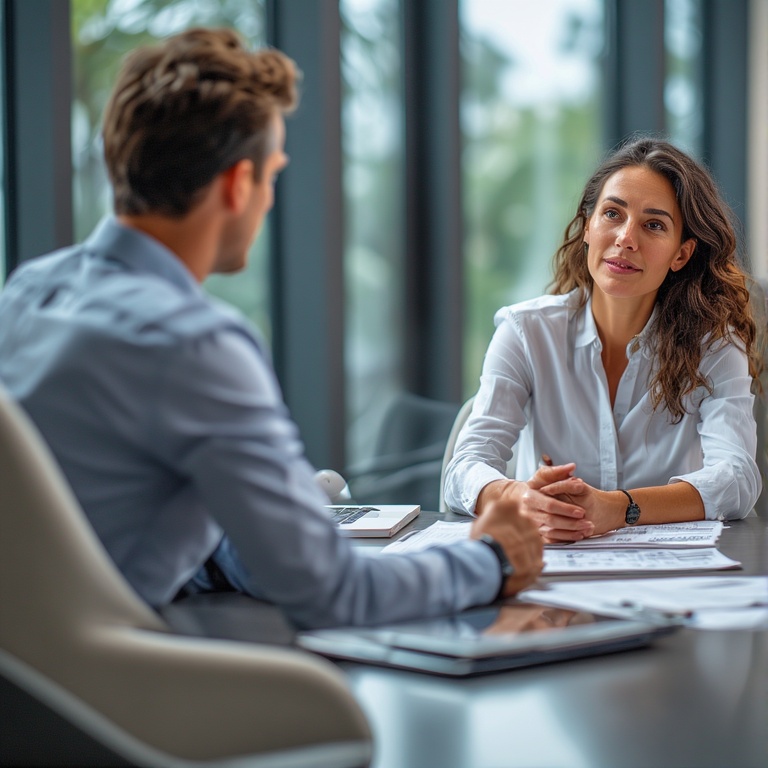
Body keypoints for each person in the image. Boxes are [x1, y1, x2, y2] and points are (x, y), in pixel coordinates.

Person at [0, 28, 544, 628]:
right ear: (238, 184)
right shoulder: (195, 343)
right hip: (112, 700)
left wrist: (260, 529)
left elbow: (104, 520)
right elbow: (337, 594)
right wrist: (490, 559)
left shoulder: (28, 291)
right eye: (272, 176)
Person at [444, 135, 762, 543]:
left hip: (673, 584)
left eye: (653, 225)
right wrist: (518, 496)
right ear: (588, 229)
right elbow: (465, 465)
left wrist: (620, 507)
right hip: (546, 573)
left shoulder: (714, 346)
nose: (626, 238)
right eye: (613, 213)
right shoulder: (525, 332)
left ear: (681, 254)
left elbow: (736, 479)